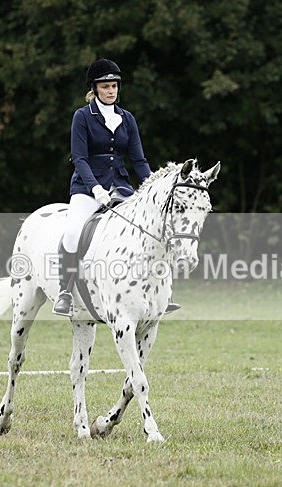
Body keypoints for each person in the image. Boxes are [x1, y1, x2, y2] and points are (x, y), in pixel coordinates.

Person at [53, 58, 178, 316]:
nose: (111, 91)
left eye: (114, 86)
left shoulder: (127, 118)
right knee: (73, 232)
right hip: (87, 188)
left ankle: (160, 292)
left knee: (148, 230)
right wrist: (96, 188)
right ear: (95, 88)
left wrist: (154, 189)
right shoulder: (83, 117)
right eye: (106, 86)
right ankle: (64, 291)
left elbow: (139, 160)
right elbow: (79, 158)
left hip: (121, 187)